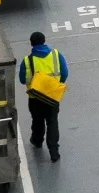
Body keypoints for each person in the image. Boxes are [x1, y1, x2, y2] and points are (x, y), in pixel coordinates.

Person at [19, 32, 67, 161]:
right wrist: (55, 84)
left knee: (37, 120)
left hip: (35, 98)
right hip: (52, 95)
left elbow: (23, 80)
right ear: (44, 41)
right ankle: (54, 152)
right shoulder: (56, 55)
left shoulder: (27, 61)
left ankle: (37, 141)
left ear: (31, 43)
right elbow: (64, 73)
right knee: (52, 121)